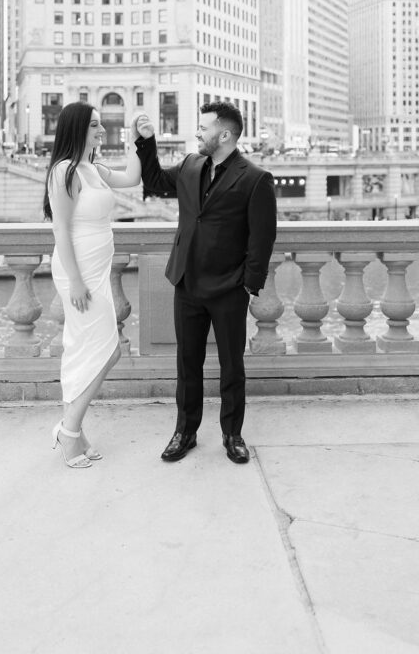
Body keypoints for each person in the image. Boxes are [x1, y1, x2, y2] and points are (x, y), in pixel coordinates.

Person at [132, 101, 277, 465]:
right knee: (187, 363)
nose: (197, 132)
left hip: (229, 288)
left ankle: (233, 434)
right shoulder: (191, 165)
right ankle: (186, 432)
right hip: (187, 283)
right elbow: (154, 183)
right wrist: (145, 143)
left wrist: (248, 284)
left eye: (204, 127)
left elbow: (262, 239)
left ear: (224, 134)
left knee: (232, 366)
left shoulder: (255, 178)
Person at [44, 101, 142, 469]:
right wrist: (75, 282)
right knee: (107, 350)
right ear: (77, 129)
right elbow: (60, 229)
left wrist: (137, 140)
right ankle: (69, 432)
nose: (102, 131)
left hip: (97, 268)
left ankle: (75, 431)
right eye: (95, 125)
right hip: (79, 270)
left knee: (88, 348)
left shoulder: (94, 168)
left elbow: (133, 177)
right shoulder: (65, 171)